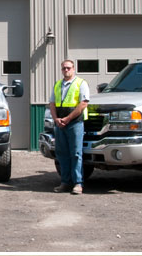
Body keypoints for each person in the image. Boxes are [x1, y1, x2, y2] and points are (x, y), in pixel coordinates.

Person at [49, 59, 90, 195]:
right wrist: (56, 120)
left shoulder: (81, 83)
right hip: (60, 124)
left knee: (76, 154)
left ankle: (78, 183)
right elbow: (52, 104)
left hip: (75, 123)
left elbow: (83, 104)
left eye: (68, 68)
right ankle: (65, 182)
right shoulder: (58, 85)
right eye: (64, 68)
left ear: (73, 69)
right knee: (62, 154)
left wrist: (67, 119)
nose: (66, 70)